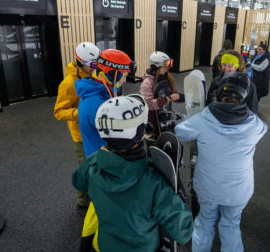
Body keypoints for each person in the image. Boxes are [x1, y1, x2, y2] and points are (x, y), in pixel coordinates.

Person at [72, 94, 194, 252]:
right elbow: (183, 232)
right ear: (142, 132)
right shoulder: (153, 184)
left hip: (104, 245)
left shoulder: (94, 165)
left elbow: (77, 181)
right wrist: (177, 196)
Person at [175, 72, 267, 252]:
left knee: (205, 220)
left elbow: (180, 132)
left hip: (208, 188)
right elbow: (264, 129)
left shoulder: (203, 119)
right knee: (231, 224)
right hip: (239, 191)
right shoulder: (254, 124)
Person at [75, 49, 136, 252]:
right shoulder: (98, 104)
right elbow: (118, 140)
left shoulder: (96, 92)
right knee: (107, 218)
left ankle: (85, 245)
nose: (126, 79)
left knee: (95, 209)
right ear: (114, 73)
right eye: (124, 75)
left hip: (97, 163)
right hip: (106, 168)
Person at [54, 42, 100, 208]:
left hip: (93, 131)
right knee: (85, 167)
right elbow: (58, 112)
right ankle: (82, 200)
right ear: (81, 62)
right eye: (93, 64)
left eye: (97, 63)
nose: (96, 67)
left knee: (96, 165)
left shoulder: (92, 75)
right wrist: (80, 113)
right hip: (80, 136)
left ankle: (95, 195)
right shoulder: (68, 84)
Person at [139, 51, 184, 136]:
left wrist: (180, 96)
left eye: (167, 66)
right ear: (156, 67)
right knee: (154, 144)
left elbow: (173, 93)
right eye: (164, 67)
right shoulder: (147, 83)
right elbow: (148, 104)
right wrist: (166, 99)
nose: (166, 69)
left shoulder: (167, 78)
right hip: (153, 123)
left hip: (166, 118)